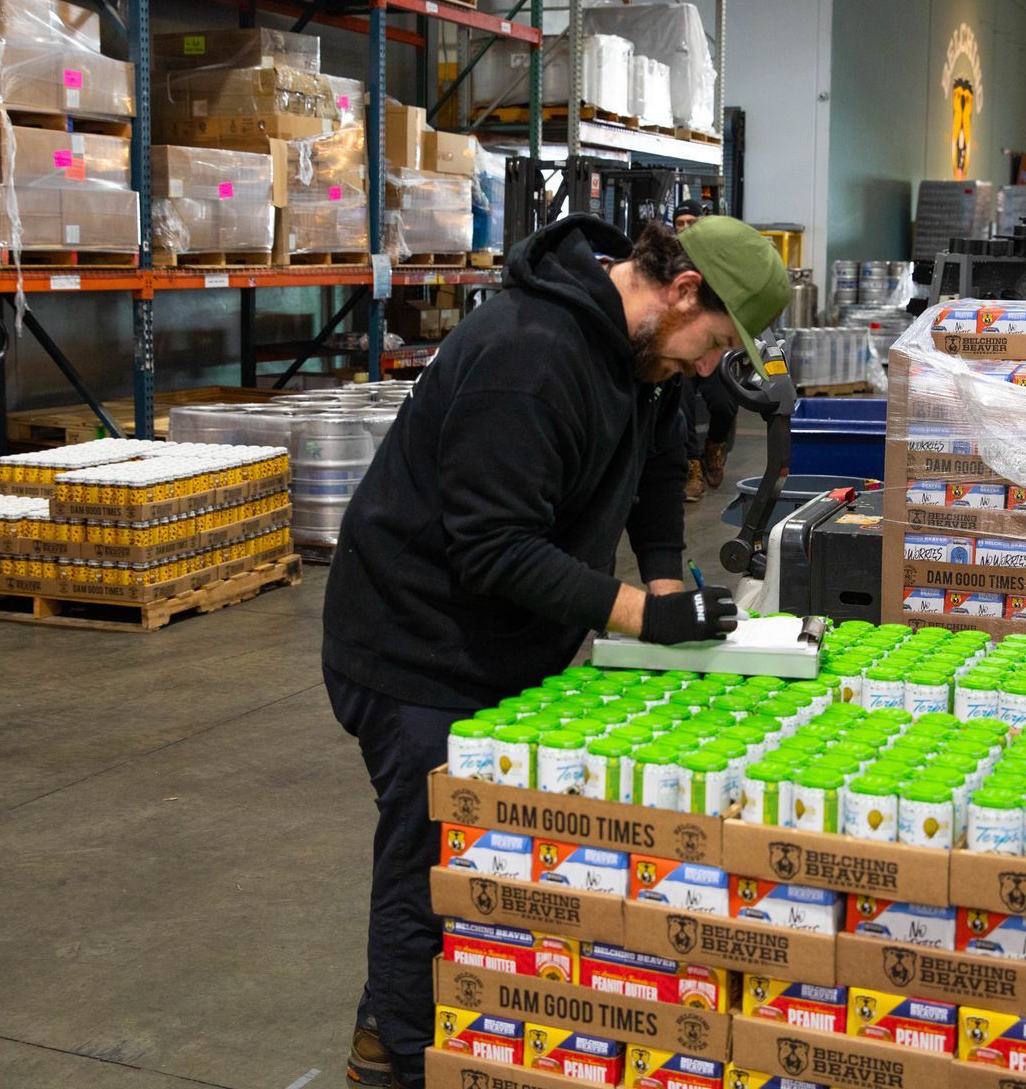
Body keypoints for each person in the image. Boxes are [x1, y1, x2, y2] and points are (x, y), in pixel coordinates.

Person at [321, 212, 789, 1089]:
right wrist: (636, 618)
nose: (701, 367)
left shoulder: (645, 352)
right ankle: (398, 1058)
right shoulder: (527, 355)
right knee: (429, 861)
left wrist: (663, 582)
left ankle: (434, 1021)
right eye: (711, 344)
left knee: (479, 861)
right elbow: (491, 547)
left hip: (502, 639)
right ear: (684, 291)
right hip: (411, 644)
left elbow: (656, 469)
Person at [671, 200, 740, 500]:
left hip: (712, 347)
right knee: (681, 408)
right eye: (679, 223)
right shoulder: (668, 261)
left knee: (724, 403)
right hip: (682, 349)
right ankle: (692, 466)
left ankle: (714, 445)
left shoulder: (718, 258)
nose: (685, 228)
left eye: (690, 222)